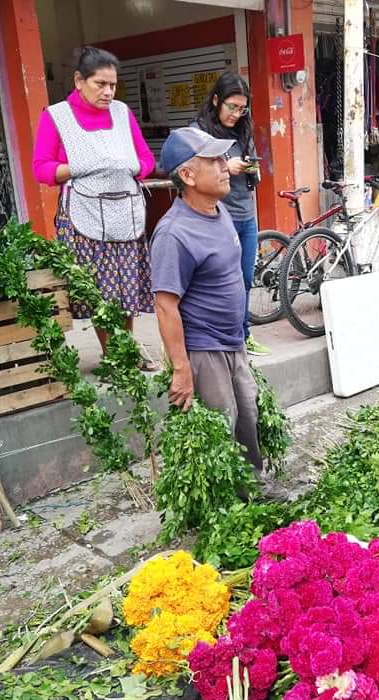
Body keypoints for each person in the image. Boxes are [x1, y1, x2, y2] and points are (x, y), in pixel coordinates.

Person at [32, 46, 158, 367]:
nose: (108, 92)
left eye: (112, 85)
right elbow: (41, 169)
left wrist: (126, 166)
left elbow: (145, 160)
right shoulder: (57, 116)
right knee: (101, 291)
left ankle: (127, 349)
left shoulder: (122, 112)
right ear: (79, 80)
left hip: (125, 214)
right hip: (83, 219)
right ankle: (112, 354)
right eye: (100, 84)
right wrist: (77, 166)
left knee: (126, 286)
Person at [150, 127, 264, 472]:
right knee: (220, 429)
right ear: (187, 175)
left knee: (248, 414)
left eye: (222, 158)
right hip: (205, 350)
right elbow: (165, 305)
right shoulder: (174, 234)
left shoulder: (220, 210)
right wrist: (182, 369)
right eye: (212, 160)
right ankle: (225, 508)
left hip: (234, 343)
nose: (223, 165)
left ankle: (253, 491)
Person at [192, 72, 270, 357]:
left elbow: (253, 165)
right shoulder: (198, 132)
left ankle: (242, 334)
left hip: (246, 214)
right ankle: (221, 339)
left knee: (245, 279)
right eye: (232, 107)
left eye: (242, 108)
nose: (237, 113)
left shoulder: (243, 128)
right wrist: (226, 167)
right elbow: (188, 173)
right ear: (216, 100)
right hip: (216, 217)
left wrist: (252, 168)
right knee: (219, 282)